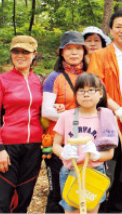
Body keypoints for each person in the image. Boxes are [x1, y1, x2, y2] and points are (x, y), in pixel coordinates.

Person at [88, 9, 122, 213]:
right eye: (118, 26)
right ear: (110, 30)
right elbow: (96, 87)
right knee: (105, 173)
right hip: (108, 126)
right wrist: (117, 109)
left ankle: (118, 209)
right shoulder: (100, 56)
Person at [0, 35, 43, 213]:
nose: (20, 55)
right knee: (3, 201)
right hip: (8, 147)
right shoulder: (0, 81)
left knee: (23, 199)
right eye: (16, 51)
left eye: (25, 52)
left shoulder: (40, 81)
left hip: (34, 147)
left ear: (34, 54)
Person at [53, 72, 118, 214]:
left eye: (90, 90)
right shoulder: (66, 116)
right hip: (71, 172)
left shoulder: (106, 118)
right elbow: (55, 145)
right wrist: (63, 152)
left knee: (91, 211)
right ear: (75, 94)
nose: (86, 95)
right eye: (81, 91)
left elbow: (109, 153)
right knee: (72, 211)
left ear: (100, 93)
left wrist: (96, 155)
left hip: (94, 172)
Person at [42, 31, 88, 213]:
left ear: (84, 51)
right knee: (58, 194)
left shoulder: (89, 75)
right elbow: (46, 110)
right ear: (61, 52)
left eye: (78, 48)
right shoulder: (54, 77)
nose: (74, 52)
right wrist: (71, 116)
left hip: (84, 143)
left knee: (79, 192)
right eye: (69, 49)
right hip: (58, 144)